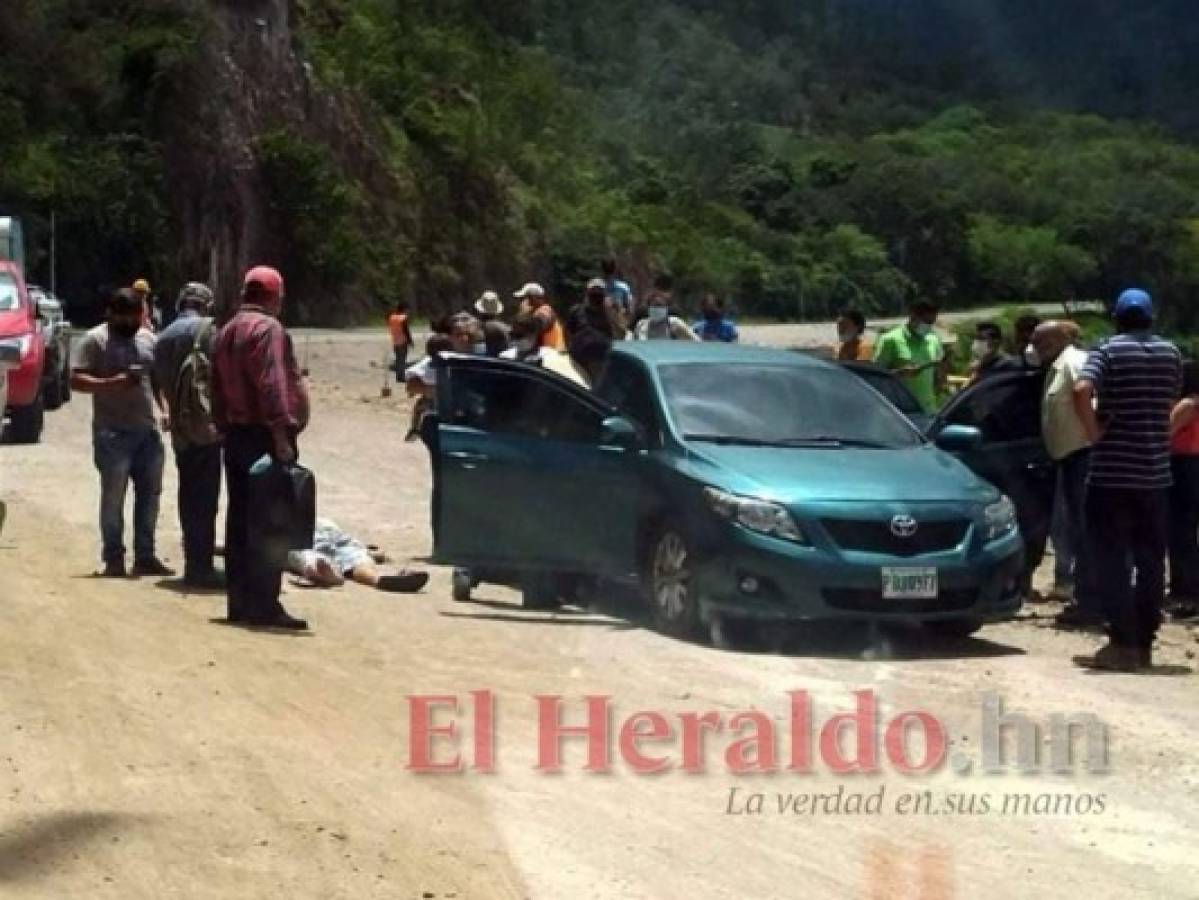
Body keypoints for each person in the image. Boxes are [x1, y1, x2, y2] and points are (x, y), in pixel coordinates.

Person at [1072, 288, 1182, 671]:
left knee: (1111, 559)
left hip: (1111, 475)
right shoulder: (1171, 354)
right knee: (1151, 560)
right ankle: (1144, 643)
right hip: (1154, 475)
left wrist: (1092, 433)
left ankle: (1121, 641)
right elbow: (1170, 402)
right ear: (1151, 317)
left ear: (1117, 317)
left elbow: (1081, 389)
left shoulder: (1107, 351)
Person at [212, 266, 311, 631]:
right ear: (273, 295)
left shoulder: (226, 331)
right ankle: (264, 604)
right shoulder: (268, 330)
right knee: (271, 524)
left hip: (235, 436)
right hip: (263, 437)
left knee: (238, 520)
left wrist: (222, 425)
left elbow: (215, 387)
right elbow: (272, 385)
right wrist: (281, 436)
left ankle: (238, 601)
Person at [70, 288, 174, 578]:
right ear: (111, 314)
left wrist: (165, 409)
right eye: (125, 318)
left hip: (147, 433)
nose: (131, 324)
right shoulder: (95, 340)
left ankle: (146, 556)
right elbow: (75, 379)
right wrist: (110, 384)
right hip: (112, 434)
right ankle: (113, 557)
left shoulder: (148, 339)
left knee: (150, 496)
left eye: (136, 317)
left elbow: (156, 379)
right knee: (114, 497)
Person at [152, 282, 223, 589]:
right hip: (207, 427)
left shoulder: (163, 336)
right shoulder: (210, 331)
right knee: (206, 498)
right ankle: (201, 566)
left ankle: (194, 559)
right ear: (206, 305)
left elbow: (160, 385)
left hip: (181, 430)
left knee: (187, 494)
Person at [1029, 321, 1097, 627]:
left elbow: (1091, 400)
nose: (1036, 349)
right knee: (1076, 531)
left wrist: (1095, 437)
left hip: (1083, 456)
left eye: (1041, 342)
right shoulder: (1057, 366)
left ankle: (1090, 602)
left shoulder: (1074, 363)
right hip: (1069, 459)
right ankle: (1087, 598)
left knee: (1084, 532)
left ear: (1057, 340)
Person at [288, 519, 429, 593]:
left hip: (309, 531)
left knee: (305, 553)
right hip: (321, 530)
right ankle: (375, 578)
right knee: (355, 555)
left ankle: (323, 572)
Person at [1166, 362, 1199, 622]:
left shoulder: (1187, 405)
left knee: (1181, 533)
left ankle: (1185, 592)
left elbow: (1166, 433)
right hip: (1190, 465)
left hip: (1184, 465)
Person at [873, 299, 945, 413]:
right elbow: (876, 377)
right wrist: (898, 373)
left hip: (928, 411)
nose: (928, 326)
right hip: (900, 412)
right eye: (925, 321)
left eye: (931, 322)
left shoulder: (933, 339)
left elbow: (939, 372)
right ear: (913, 315)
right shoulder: (890, 340)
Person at [405, 334, 453, 441]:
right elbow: (411, 384)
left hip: (437, 400)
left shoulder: (429, 365)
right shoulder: (428, 366)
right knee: (420, 406)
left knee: (419, 407)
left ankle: (414, 428)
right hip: (436, 400)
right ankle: (415, 428)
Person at [633, 276, 699, 342]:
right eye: (654, 306)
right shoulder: (641, 325)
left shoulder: (675, 324)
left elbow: (697, 342)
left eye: (660, 306)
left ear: (666, 308)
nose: (657, 309)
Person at [566, 278, 626, 345]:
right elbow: (568, 333)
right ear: (587, 294)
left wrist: (613, 314)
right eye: (593, 295)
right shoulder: (577, 311)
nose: (596, 299)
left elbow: (621, 336)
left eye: (599, 295)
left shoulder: (609, 313)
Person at [514, 283, 565, 350]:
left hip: (551, 352)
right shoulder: (533, 312)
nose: (524, 301)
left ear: (534, 297)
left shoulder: (545, 310)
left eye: (526, 297)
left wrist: (523, 314)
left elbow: (538, 324)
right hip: (542, 353)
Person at [601, 258, 634, 324]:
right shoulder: (624, 287)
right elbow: (630, 309)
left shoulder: (623, 287)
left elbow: (630, 309)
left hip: (618, 323)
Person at [387, 302, 414, 383]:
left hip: (395, 340)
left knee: (398, 359)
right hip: (403, 341)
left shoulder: (392, 317)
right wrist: (410, 341)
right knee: (402, 360)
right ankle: (401, 377)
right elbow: (406, 330)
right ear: (404, 309)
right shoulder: (403, 318)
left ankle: (398, 376)